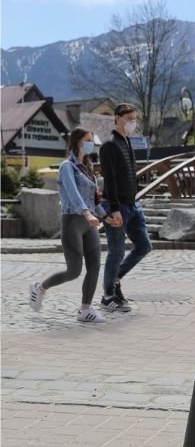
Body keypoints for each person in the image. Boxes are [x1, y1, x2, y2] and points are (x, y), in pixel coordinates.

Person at [29, 129, 115, 323]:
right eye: (88, 140)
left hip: (89, 223)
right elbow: (73, 193)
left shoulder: (88, 169)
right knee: (74, 271)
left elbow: (94, 200)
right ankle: (39, 288)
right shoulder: (67, 167)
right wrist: (86, 213)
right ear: (77, 141)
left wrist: (106, 217)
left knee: (94, 266)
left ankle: (85, 310)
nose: (91, 144)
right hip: (72, 221)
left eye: (92, 140)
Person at [99, 103, 152, 312]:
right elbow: (110, 179)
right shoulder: (110, 145)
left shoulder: (127, 141)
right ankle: (108, 296)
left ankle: (116, 278)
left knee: (144, 245)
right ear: (117, 119)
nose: (132, 122)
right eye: (129, 119)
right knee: (116, 251)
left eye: (134, 119)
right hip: (117, 205)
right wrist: (114, 209)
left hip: (132, 204)